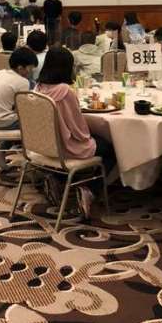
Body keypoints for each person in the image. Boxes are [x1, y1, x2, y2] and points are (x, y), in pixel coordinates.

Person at [36, 47, 116, 217]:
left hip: (46, 145)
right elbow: (80, 132)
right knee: (112, 149)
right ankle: (90, 190)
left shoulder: (39, 88)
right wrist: (90, 135)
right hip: (66, 147)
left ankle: (56, 177)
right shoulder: (65, 92)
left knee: (98, 141)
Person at [0, 47, 38, 130]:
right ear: (20, 68)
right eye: (30, 68)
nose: (31, 71)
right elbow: (22, 109)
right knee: (39, 117)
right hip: (3, 122)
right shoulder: (23, 82)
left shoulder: (1, 72)